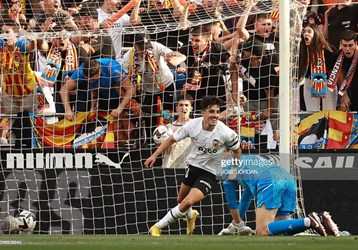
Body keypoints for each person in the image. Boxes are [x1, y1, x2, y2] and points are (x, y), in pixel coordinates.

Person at [144, 96, 241, 236]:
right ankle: (191, 216)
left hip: (211, 173)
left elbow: (237, 150)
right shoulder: (192, 125)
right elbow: (171, 139)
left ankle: (157, 227)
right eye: (211, 111)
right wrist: (154, 156)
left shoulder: (226, 133)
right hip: (193, 167)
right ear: (203, 113)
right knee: (180, 200)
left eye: (217, 112)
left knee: (186, 202)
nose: (215, 115)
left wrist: (234, 170)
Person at [220, 154, 340, 236]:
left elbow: (232, 202)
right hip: (287, 178)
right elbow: (246, 199)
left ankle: (310, 221)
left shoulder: (227, 166)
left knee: (262, 231)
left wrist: (235, 227)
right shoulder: (248, 161)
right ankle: (320, 218)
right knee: (280, 231)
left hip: (269, 180)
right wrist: (234, 226)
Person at [121, 33, 186, 134]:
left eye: (147, 47)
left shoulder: (156, 46)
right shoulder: (128, 56)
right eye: (142, 48)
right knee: (148, 115)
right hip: (147, 88)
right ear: (135, 46)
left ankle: (168, 133)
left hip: (165, 83)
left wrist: (172, 57)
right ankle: (151, 138)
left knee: (167, 112)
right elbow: (123, 76)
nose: (145, 51)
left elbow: (176, 57)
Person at [59, 58, 136, 121]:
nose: (90, 81)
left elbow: (131, 89)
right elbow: (63, 90)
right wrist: (68, 110)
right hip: (102, 97)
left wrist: (120, 108)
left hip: (120, 96)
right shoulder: (81, 71)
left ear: (99, 72)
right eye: (88, 79)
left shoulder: (113, 69)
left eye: (92, 80)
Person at [179, 25, 232, 111]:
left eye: (197, 41)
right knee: (195, 118)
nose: (193, 43)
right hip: (194, 89)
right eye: (192, 40)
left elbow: (231, 62)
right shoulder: (187, 48)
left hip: (215, 89)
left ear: (207, 40)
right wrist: (175, 61)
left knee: (217, 116)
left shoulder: (216, 47)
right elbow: (175, 57)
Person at [298, 23, 336, 111]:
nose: (305, 34)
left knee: (329, 113)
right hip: (309, 82)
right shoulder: (303, 50)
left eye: (309, 31)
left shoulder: (329, 50)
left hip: (328, 83)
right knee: (311, 114)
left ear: (316, 33)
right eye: (304, 32)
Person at [328, 30, 358, 112]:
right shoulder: (338, 56)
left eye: (350, 45)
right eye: (345, 45)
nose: (347, 49)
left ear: (356, 43)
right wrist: (344, 95)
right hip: (349, 89)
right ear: (341, 44)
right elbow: (340, 74)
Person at [161, 94, 194, 168]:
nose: (184, 108)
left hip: (187, 168)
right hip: (169, 167)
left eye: (186, 105)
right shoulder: (168, 128)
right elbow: (161, 149)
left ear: (191, 108)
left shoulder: (195, 126)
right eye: (181, 105)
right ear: (177, 108)